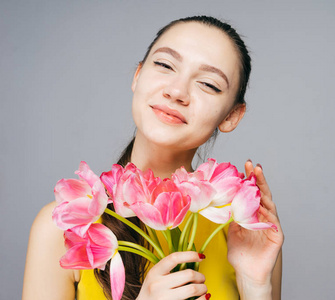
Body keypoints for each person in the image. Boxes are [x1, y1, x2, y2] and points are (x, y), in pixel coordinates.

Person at [23, 16, 283, 300]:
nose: (177, 92)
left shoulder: (244, 233)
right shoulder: (64, 225)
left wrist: (256, 286)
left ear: (232, 116)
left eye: (208, 84)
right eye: (164, 65)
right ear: (137, 76)